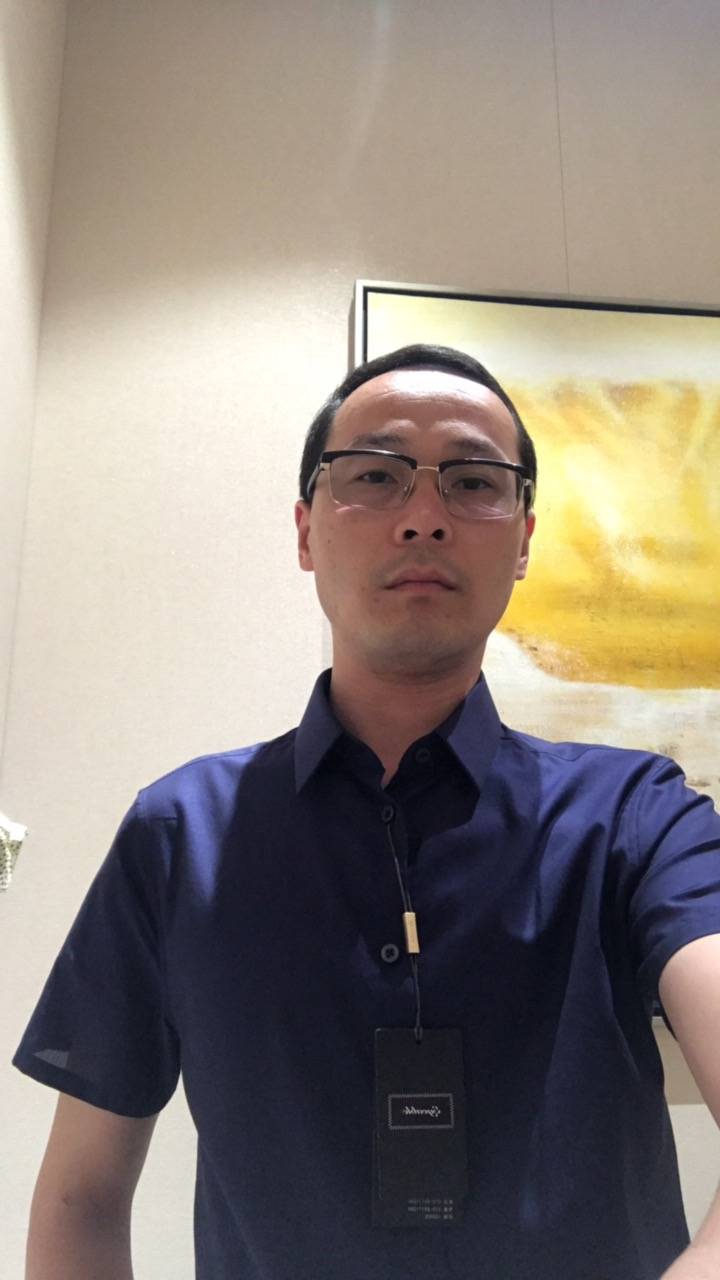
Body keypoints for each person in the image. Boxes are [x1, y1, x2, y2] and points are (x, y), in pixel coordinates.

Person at [14, 344, 720, 1280]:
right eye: (375, 476)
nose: (424, 516)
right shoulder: (179, 834)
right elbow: (81, 1196)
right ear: (306, 532)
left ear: (523, 542)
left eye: (474, 481)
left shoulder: (639, 817)